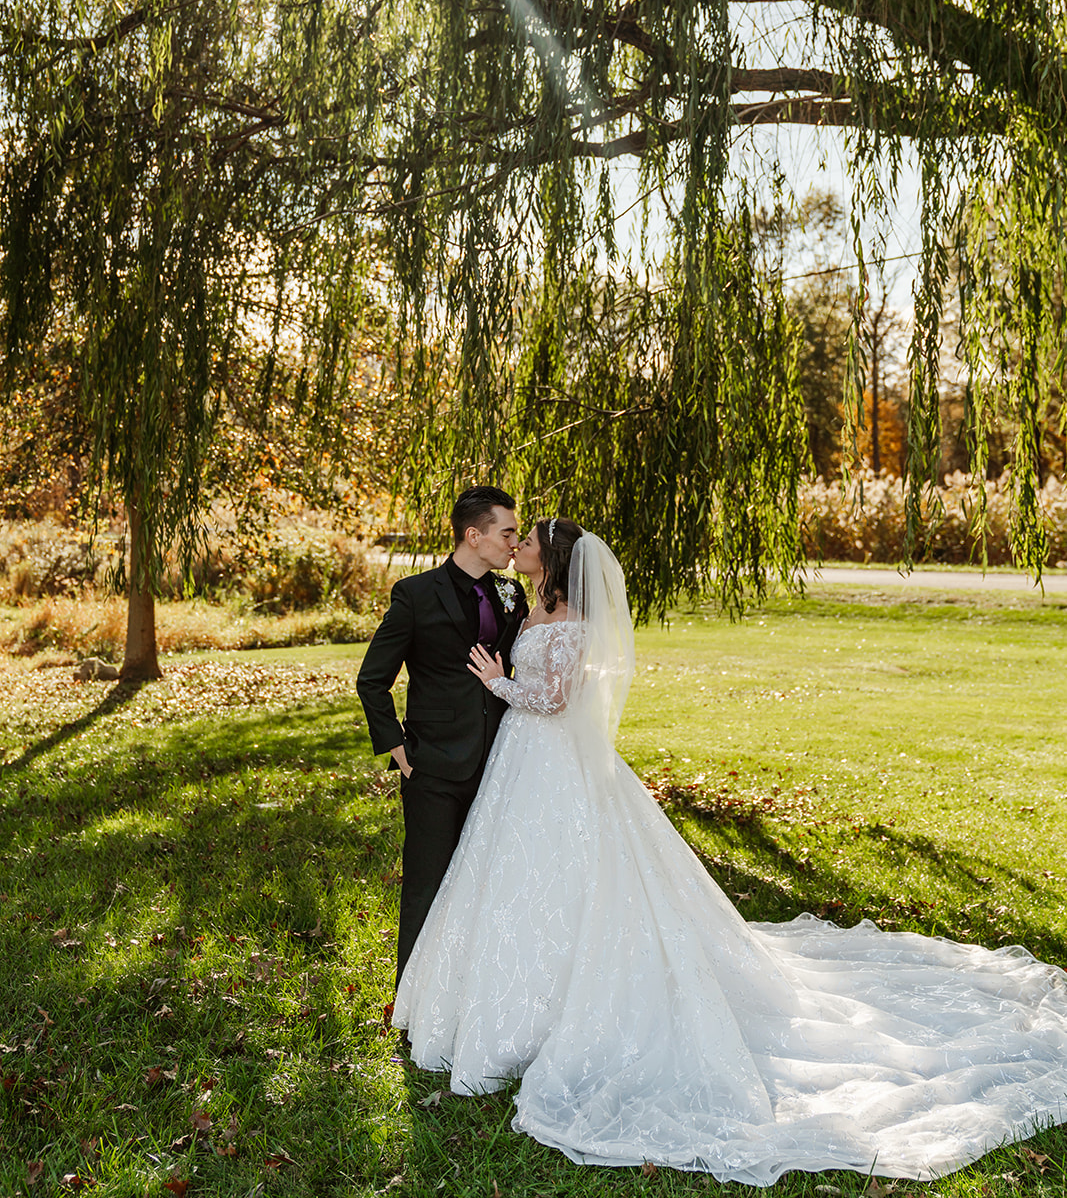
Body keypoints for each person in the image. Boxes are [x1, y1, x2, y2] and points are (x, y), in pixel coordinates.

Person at [393, 518, 1067, 1185]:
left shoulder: (568, 621)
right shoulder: (527, 602)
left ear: (554, 557)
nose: (519, 547)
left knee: (569, 877)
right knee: (512, 879)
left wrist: (496, 682)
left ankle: (557, 1005)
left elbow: (558, 698)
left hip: (550, 756)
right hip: (522, 762)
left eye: (529, 540)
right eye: (515, 537)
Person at [357, 486, 528, 984]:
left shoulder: (512, 593)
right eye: (507, 533)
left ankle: (471, 993)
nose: (514, 543)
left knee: (487, 885)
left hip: (500, 760)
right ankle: (412, 1002)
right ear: (474, 536)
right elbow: (372, 678)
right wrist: (398, 750)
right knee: (427, 885)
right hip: (431, 764)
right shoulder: (414, 594)